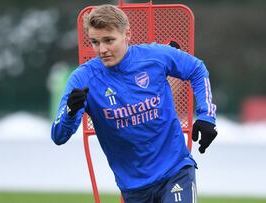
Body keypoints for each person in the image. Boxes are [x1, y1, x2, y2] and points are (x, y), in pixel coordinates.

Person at [51, 4, 217, 203]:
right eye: (95, 42)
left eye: (109, 40)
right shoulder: (82, 79)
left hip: (175, 169)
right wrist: (70, 111)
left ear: (127, 35)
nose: (102, 49)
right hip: (133, 187)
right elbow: (58, 135)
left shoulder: (155, 56)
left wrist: (206, 115)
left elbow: (197, 69)